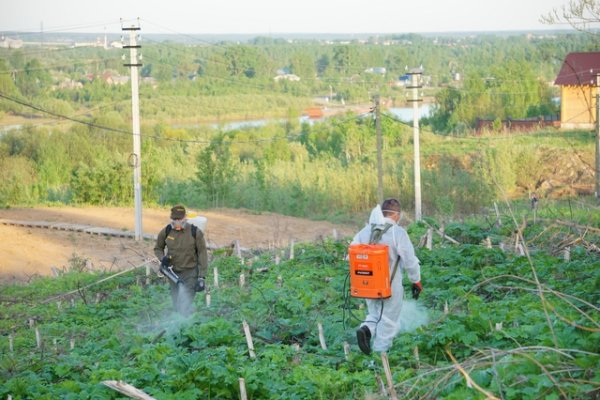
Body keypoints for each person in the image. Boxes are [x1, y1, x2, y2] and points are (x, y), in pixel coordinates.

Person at [351, 198, 422, 355]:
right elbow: (410, 260)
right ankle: (378, 357)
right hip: (390, 286)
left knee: (375, 314)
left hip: (367, 284)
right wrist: (416, 280)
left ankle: (366, 329)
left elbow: (351, 255)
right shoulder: (398, 233)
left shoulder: (365, 231)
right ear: (397, 215)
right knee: (389, 321)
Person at [154, 204, 208, 315]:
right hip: (173, 273)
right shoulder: (167, 231)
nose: (177, 221)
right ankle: (185, 324)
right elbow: (158, 248)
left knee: (184, 304)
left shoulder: (195, 232)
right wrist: (162, 258)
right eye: (174, 219)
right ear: (171, 219)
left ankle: (185, 324)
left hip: (190, 273)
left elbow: (202, 253)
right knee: (176, 304)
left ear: (185, 218)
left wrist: (201, 277)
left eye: (179, 219)